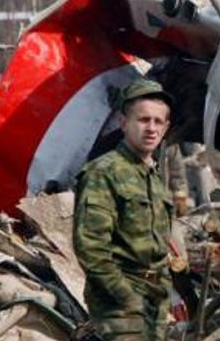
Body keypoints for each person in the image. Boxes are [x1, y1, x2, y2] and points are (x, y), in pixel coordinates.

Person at [74, 79, 175, 341]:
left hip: (155, 300)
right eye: (143, 120)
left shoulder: (154, 178)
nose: (151, 128)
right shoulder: (104, 172)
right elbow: (91, 248)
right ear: (124, 123)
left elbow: (159, 247)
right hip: (119, 303)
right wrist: (126, 298)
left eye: (157, 121)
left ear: (166, 128)